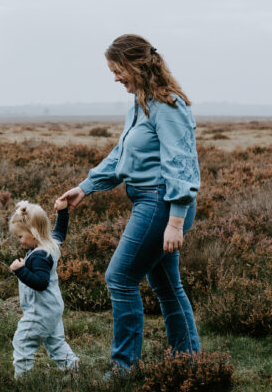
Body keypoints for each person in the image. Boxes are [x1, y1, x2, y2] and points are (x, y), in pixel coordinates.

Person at [58, 34, 201, 374]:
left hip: (161, 203)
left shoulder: (168, 106)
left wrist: (176, 220)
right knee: (167, 287)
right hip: (148, 201)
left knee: (120, 277)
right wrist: (86, 187)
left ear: (135, 65)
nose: (115, 77)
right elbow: (121, 157)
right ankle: (190, 363)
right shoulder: (140, 105)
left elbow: (181, 163)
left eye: (117, 70)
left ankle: (124, 368)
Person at [8, 198, 78, 377]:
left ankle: (23, 380)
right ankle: (74, 370)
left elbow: (41, 283)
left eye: (20, 236)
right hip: (52, 308)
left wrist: (20, 270)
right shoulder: (51, 245)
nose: (20, 241)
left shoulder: (39, 256)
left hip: (40, 310)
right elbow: (60, 232)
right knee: (56, 343)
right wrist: (62, 212)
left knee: (22, 340)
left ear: (33, 233)